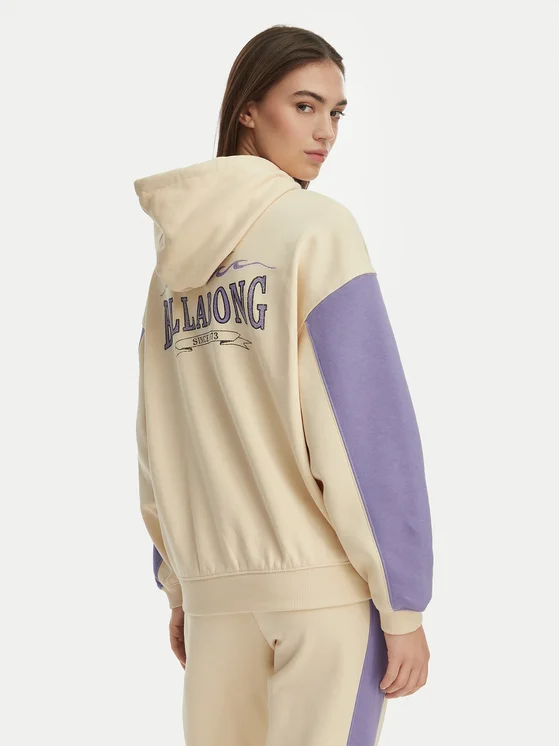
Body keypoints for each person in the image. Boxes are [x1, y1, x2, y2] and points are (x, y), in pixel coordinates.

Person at [133, 24, 434, 746]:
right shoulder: (316, 230)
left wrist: (180, 580)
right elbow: (365, 428)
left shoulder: (171, 266)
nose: (325, 131)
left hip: (216, 598)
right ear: (248, 109)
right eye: (304, 106)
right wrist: (403, 604)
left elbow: (157, 435)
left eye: (336, 112)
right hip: (319, 596)